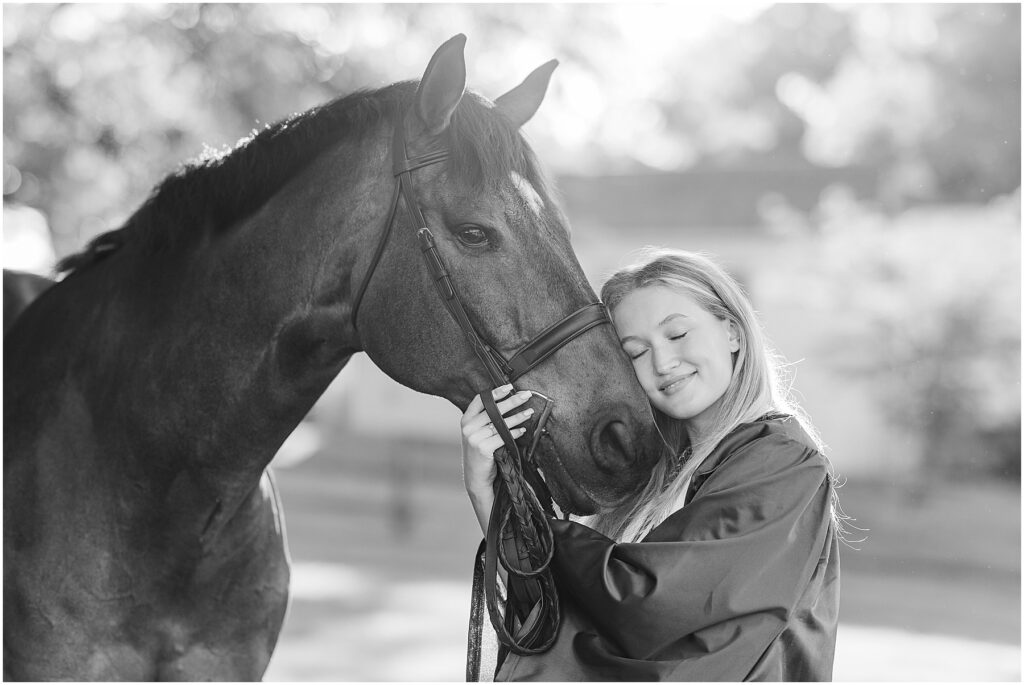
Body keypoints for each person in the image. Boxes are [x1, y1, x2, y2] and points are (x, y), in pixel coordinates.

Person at [461, 248, 842, 681]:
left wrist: (525, 520)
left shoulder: (782, 461)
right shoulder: (656, 479)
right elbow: (556, 617)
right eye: (636, 352)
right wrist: (487, 488)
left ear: (733, 332)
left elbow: (649, 608)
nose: (663, 363)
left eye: (677, 335)